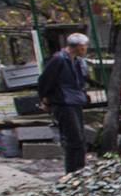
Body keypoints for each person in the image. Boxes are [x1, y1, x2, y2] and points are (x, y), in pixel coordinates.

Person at [37, 32, 92, 174]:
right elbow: (45, 80)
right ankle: (74, 171)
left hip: (74, 101)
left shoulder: (76, 61)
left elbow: (80, 81)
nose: (86, 49)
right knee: (74, 139)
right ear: (78, 46)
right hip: (63, 102)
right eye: (84, 46)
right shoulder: (59, 60)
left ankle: (78, 170)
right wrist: (45, 98)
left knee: (79, 137)